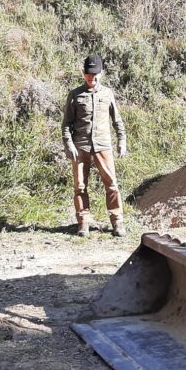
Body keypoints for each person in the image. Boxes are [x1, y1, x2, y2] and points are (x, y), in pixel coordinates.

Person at [62, 54, 127, 238]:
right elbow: (66, 124)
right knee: (80, 187)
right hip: (80, 147)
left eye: (95, 74)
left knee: (112, 184)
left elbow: (117, 121)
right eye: (88, 74)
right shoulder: (75, 95)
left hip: (103, 146)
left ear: (101, 73)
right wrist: (69, 145)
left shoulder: (107, 94)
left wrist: (121, 140)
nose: (91, 77)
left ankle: (117, 221)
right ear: (83, 73)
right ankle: (83, 222)